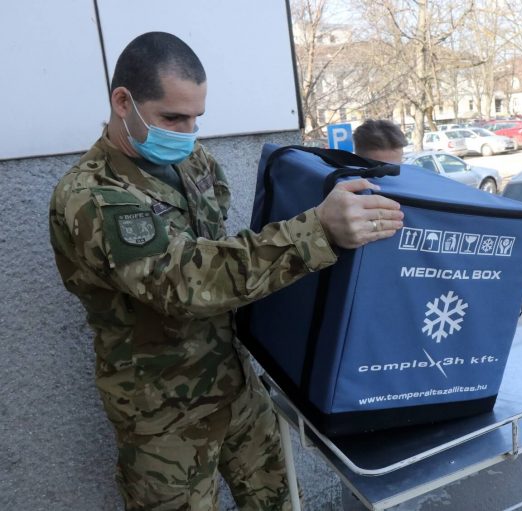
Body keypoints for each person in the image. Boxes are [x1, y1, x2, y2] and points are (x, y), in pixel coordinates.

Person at [48, 32, 403, 511]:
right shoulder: (90, 196)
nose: (187, 132)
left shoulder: (194, 163)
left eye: (196, 118)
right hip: (163, 422)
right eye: (172, 117)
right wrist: (315, 232)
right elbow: (183, 284)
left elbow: (223, 247)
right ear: (122, 101)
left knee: (279, 502)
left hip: (237, 390)